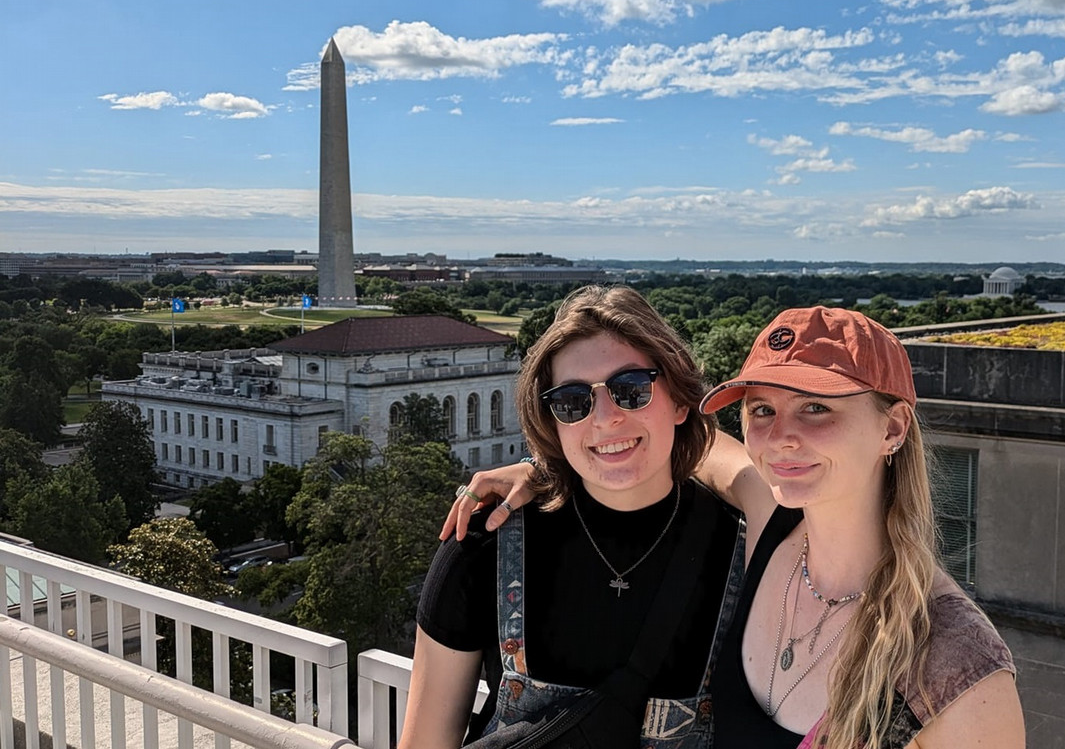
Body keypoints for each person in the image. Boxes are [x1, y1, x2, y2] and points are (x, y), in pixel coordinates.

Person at [449, 306, 1024, 749]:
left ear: (893, 427)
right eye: (762, 410)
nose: (780, 437)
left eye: (817, 408)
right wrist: (547, 467)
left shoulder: (952, 661)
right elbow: (683, 443)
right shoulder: (770, 533)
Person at [400, 285, 745, 749]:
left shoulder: (741, 554)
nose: (604, 418)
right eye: (572, 401)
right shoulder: (486, 543)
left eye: (631, 389)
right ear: (552, 423)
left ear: (680, 400)